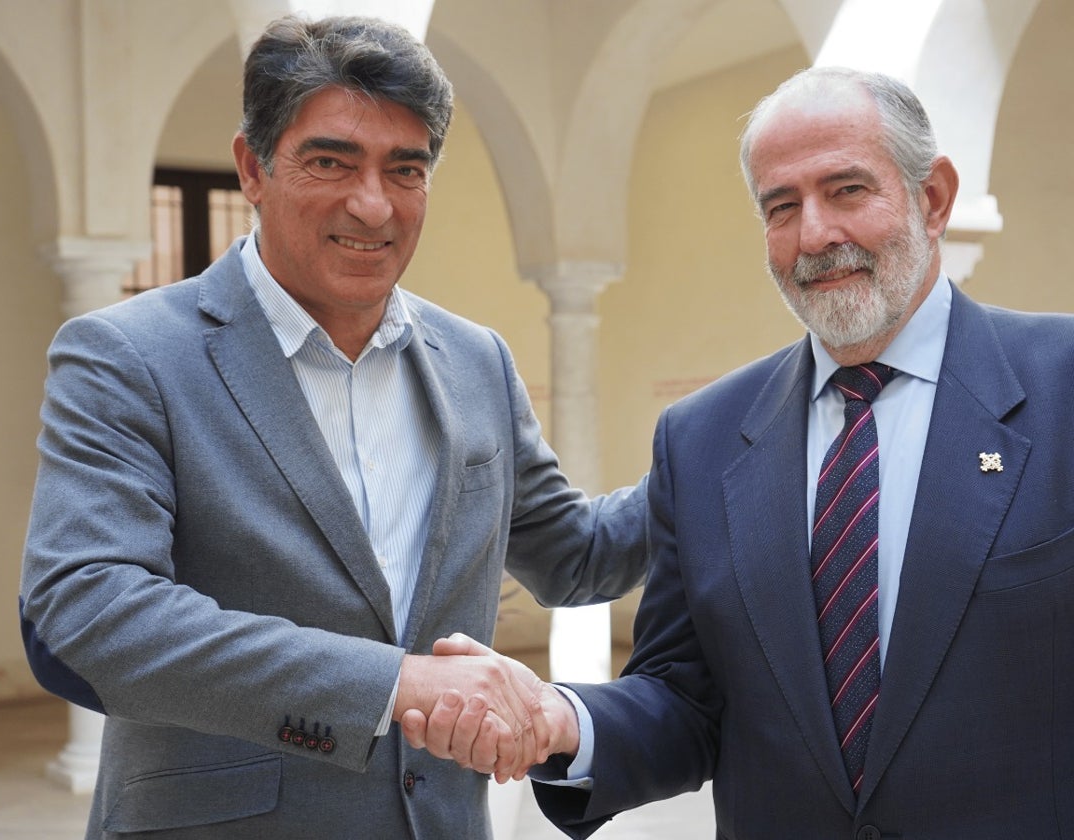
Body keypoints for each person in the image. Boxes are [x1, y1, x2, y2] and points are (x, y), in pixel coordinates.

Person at [18, 14, 649, 840]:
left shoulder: (475, 361)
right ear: (252, 165)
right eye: (330, 161)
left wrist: (728, 444)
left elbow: (573, 556)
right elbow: (93, 610)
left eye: (406, 168)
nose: (372, 203)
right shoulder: (128, 356)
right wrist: (395, 685)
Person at [410, 66, 1074, 838]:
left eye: (848, 190)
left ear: (933, 198)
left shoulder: (1061, 389)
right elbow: (686, 700)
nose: (814, 235)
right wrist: (563, 718)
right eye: (781, 206)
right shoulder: (702, 440)